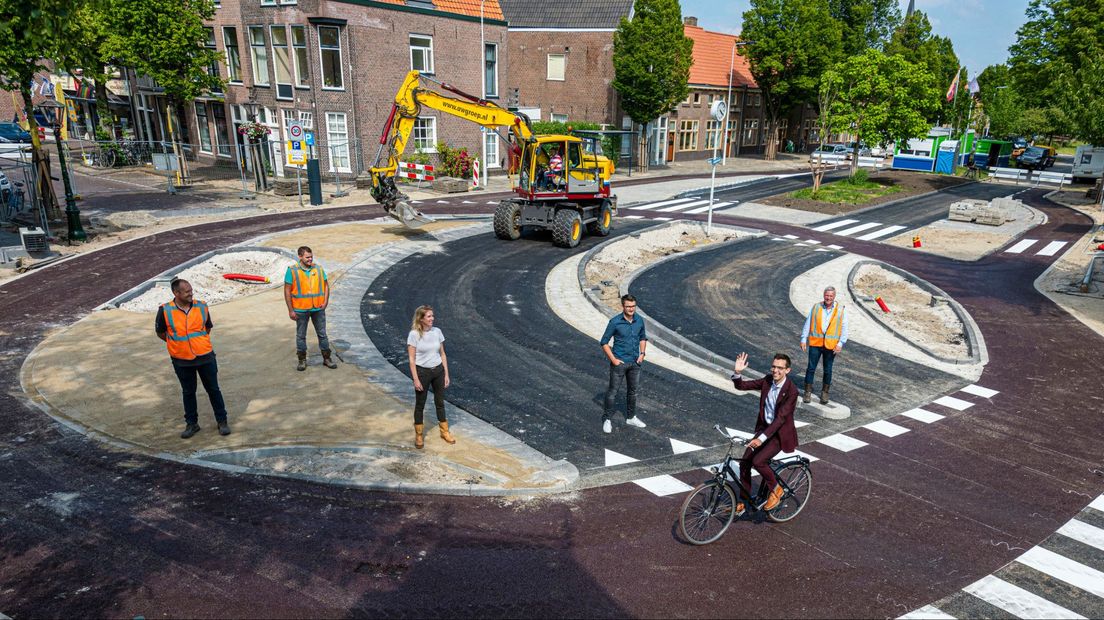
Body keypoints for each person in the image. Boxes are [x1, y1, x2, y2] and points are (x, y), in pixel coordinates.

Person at [156, 278, 230, 439]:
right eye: (187, 291)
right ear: (176, 293)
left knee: (213, 390)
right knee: (188, 392)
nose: (191, 293)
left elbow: (207, 327)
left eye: (191, 290)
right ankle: (192, 424)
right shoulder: (165, 310)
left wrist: (198, 343)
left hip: (205, 357)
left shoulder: (201, 306)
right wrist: (178, 345)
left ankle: (222, 421)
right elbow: (161, 332)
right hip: (181, 360)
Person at [731, 352, 799, 512]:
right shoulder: (767, 380)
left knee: (758, 461)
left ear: (787, 370)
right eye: (774, 366)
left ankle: (776, 489)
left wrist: (761, 439)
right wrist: (738, 373)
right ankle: (744, 501)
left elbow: (780, 419)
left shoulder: (792, 391)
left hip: (778, 435)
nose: (775, 370)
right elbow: (742, 386)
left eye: (780, 368)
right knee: (745, 462)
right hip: (764, 429)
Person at [406, 305, 454, 449]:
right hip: (422, 373)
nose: (432, 318)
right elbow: (411, 359)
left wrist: (446, 373)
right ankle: (419, 435)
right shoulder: (414, 335)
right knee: (420, 404)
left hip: (438, 371)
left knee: (440, 402)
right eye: (429, 316)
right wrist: (415, 379)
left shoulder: (437, 331)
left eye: (432, 316)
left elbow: (443, 354)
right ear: (421, 319)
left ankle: (444, 431)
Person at [599, 294, 648, 434]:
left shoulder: (639, 320)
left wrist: (642, 354)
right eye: (628, 306)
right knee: (613, 392)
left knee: (632, 392)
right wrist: (613, 360)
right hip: (619, 363)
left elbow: (643, 337)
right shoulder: (615, 322)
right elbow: (604, 342)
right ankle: (607, 419)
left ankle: (631, 417)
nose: (631, 309)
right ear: (623, 306)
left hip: (635, 363)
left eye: (633, 306)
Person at [284, 246, 337, 371]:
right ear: (300, 257)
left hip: (318, 309)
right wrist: (291, 310)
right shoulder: (292, 271)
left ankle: (327, 359)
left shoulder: (318, 268)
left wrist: (325, 302)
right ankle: (302, 361)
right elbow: (287, 291)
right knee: (301, 336)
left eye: (311, 256)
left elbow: (326, 286)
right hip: (300, 309)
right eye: (307, 257)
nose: (310, 259)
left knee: (322, 334)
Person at [799, 286, 848, 405]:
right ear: (824, 295)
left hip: (831, 345)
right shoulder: (816, 307)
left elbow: (844, 327)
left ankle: (825, 393)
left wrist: (840, 343)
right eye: (827, 295)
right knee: (811, 368)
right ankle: (807, 391)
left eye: (831, 296)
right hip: (816, 343)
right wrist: (803, 338)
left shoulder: (841, 310)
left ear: (834, 297)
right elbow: (808, 322)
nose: (828, 298)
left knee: (828, 370)